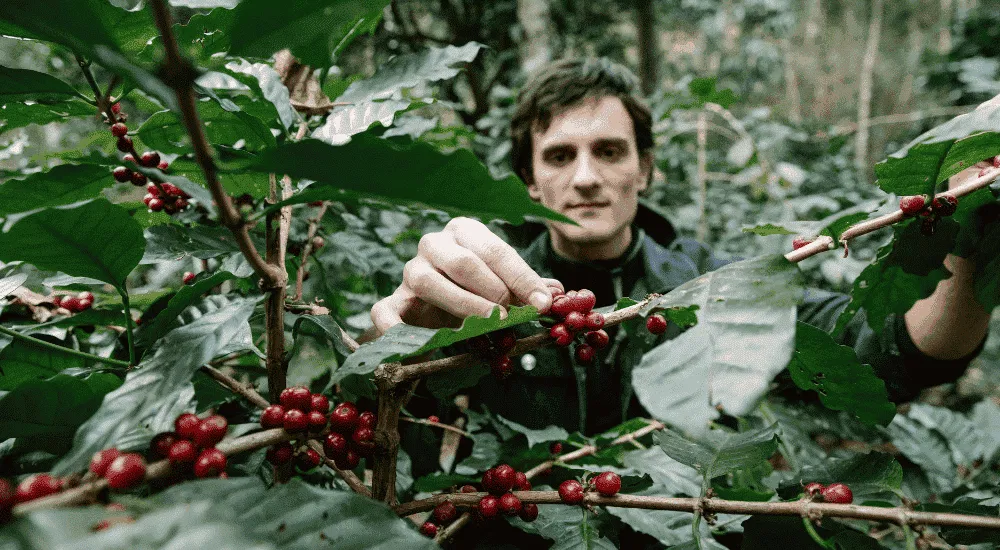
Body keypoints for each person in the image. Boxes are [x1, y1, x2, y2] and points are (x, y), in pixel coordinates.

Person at [368, 58, 991, 474]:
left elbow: (891, 348)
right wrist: (396, 350)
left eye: (609, 151)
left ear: (645, 169)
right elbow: (384, 435)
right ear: (529, 180)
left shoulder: (717, 287)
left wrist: (972, 232)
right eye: (559, 156)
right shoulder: (479, 290)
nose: (585, 178)